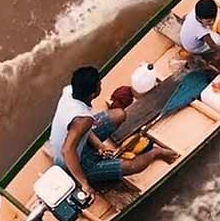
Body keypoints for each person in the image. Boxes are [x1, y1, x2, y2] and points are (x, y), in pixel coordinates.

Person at [50, 66, 178, 199]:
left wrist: (99, 145)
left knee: (119, 114)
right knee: (132, 166)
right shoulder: (83, 120)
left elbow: (81, 129)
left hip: (75, 140)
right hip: (71, 161)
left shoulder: (69, 91)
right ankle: (156, 152)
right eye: (99, 84)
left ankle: (95, 154)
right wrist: (84, 183)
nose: (101, 84)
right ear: (93, 94)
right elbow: (67, 151)